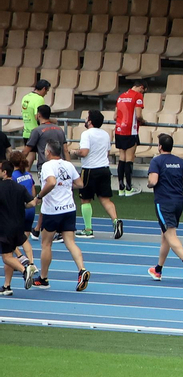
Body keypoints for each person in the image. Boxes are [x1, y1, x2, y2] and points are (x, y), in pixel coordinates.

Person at [32, 141, 89, 290]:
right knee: (70, 242)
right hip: (69, 208)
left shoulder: (47, 166)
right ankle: (82, 270)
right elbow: (80, 183)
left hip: (53, 210)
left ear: (49, 152)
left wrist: (39, 196)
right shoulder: (68, 165)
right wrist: (66, 185)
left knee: (46, 244)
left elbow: (51, 182)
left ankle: (43, 278)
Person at [146, 133, 183, 283]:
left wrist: (149, 184)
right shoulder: (179, 161)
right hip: (178, 201)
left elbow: (153, 181)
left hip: (164, 202)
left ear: (160, 146)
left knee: (170, 234)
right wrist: (178, 184)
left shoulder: (157, 161)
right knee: (165, 236)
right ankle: (158, 269)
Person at [75, 109, 121, 239]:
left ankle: (88, 229)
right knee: (106, 199)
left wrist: (74, 152)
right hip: (104, 168)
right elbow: (106, 152)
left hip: (90, 169)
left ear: (90, 121)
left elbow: (84, 152)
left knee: (85, 199)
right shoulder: (105, 134)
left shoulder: (86, 134)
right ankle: (116, 220)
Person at [0, 155, 36, 295]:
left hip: (4, 228)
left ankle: (25, 270)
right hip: (18, 226)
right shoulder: (20, 188)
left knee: (6, 257)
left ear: (5, 172)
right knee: (9, 255)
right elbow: (31, 203)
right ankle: (7, 286)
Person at [113, 80, 147, 196]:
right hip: (130, 131)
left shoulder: (121, 96)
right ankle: (128, 188)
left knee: (121, 158)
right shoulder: (138, 96)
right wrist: (143, 121)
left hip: (119, 130)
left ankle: (121, 188)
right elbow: (138, 115)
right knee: (129, 159)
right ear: (141, 87)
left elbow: (114, 116)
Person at [7, 148, 36, 282]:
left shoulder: (12, 177)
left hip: (20, 210)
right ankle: (31, 263)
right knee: (24, 239)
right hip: (31, 209)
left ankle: (20, 258)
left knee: (10, 238)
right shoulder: (29, 175)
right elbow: (33, 192)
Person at [24, 103, 66, 173]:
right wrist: (68, 165)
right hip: (60, 167)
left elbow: (26, 151)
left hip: (44, 167)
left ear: (39, 115)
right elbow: (65, 150)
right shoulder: (60, 129)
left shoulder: (37, 130)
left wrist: (16, 163)